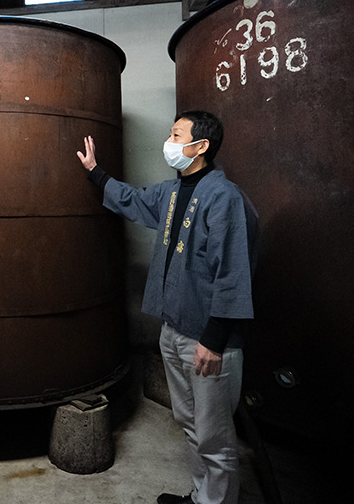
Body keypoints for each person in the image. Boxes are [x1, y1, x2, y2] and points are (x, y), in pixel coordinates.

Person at [77, 111, 256, 504]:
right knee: (190, 423)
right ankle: (201, 496)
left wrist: (214, 339)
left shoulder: (223, 197)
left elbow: (232, 273)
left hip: (208, 340)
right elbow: (132, 199)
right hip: (174, 329)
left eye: (177, 134)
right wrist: (95, 172)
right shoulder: (172, 193)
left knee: (215, 434)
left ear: (201, 146)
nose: (169, 141)